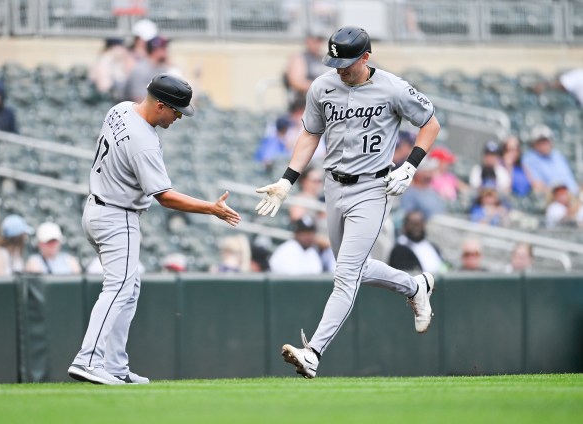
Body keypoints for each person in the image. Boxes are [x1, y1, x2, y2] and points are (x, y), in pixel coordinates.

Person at [254, 26, 440, 378]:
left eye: (348, 63)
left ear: (366, 57)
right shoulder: (323, 86)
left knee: (345, 275)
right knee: (354, 268)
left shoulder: (393, 87)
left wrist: (410, 166)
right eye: (336, 61)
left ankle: (313, 353)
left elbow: (431, 124)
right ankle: (416, 286)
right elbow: (310, 133)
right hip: (333, 187)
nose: (340, 68)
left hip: (372, 188)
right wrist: (286, 180)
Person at [68, 73, 240, 386]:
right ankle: (88, 359)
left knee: (128, 288)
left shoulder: (119, 109)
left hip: (96, 208)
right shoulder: (144, 142)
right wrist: (210, 208)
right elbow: (165, 197)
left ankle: (116, 365)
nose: (178, 117)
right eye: (175, 110)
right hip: (117, 216)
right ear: (159, 105)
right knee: (119, 287)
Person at [521, 125, 579, 196]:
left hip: (574, 196)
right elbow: (538, 186)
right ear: (534, 144)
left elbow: (571, 180)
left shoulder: (557, 155)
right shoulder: (530, 159)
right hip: (555, 199)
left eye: (546, 141)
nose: (544, 144)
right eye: (540, 142)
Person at [123, 36, 182, 102]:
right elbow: (139, 99)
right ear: (155, 50)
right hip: (133, 109)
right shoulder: (141, 69)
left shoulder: (162, 68)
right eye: (163, 48)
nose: (166, 50)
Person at [388, 210, 447, 275]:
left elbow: (444, 267)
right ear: (405, 226)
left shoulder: (433, 246)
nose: (417, 228)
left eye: (419, 223)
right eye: (413, 224)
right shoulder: (399, 250)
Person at [283, 30, 330, 109]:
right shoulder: (299, 58)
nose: (318, 44)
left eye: (320, 41)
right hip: (302, 103)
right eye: (315, 41)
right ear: (308, 41)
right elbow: (296, 82)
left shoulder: (325, 58)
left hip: (324, 101)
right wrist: (322, 87)